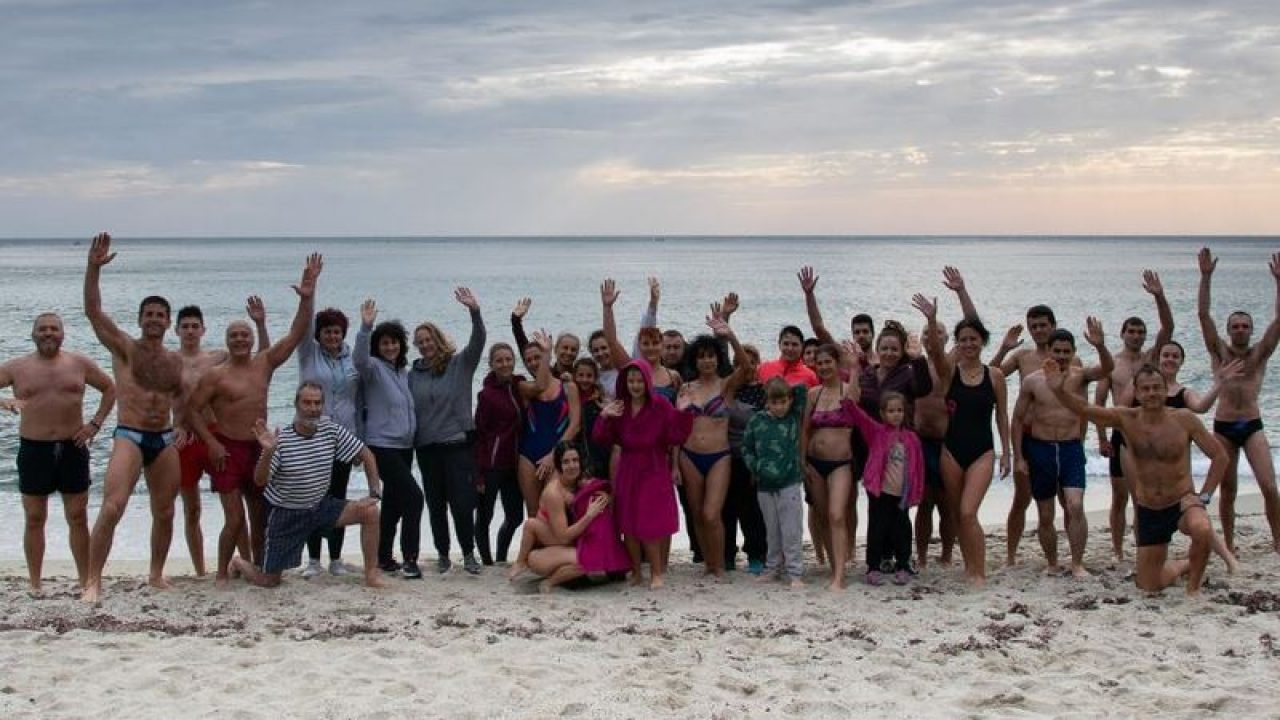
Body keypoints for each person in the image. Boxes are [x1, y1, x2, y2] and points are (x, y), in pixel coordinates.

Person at [187, 254, 321, 587]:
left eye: (244, 335)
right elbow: (191, 410)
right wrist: (211, 442)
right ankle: (221, 572)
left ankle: (260, 566)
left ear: (251, 339)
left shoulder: (264, 364)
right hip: (227, 450)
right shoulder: (215, 376)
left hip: (259, 449)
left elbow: (295, 334)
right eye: (234, 335)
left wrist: (307, 296)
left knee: (261, 516)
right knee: (234, 520)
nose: (240, 339)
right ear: (227, 340)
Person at [1046, 361, 1230, 595]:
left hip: (1182, 502)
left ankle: (1193, 589)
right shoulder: (1127, 419)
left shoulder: (1184, 419)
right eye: (1146, 388)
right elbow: (1085, 409)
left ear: (1165, 390)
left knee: (1202, 528)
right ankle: (1184, 564)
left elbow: (1220, 456)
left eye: (1157, 387)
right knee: (1149, 585)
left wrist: (1203, 497)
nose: (1152, 393)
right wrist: (1059, 391)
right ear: (1137, 392)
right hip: (1150, 509)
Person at [81, 232, 186, 603]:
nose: (154, 319)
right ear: (140, 319)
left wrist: (183, 425)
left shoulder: (174, 360)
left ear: (168, 322)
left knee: (165, 511)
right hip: (130, 435)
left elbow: (183, 396)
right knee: (113, 507)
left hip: (165, 438)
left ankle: (155, 574)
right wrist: (93, 268)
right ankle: (93, 581)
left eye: (160, 315)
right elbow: (93, 311)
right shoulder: (125, 347)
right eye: (149, 314)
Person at [227, 383, 386, 589]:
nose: (313, 408)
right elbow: (260, 480)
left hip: (320, 507)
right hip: (286, 514)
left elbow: (366, 454)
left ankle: (371, 574)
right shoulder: (281, 440)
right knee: (269, 581)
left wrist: (374, 492)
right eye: (307, 403)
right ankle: (238, 562)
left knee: (370, 512)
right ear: (296, 405)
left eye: (317, 403)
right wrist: (268, 452)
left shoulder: (331, 430)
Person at [0, 313, 115, 594]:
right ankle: (35, 583)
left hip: (72, 447)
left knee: (77, 516)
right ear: (33, 334)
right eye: (42, 329)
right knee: (34, 517)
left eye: (53, 328)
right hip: (34, 449)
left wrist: (95, 424)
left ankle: (85, 580)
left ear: (63, 334)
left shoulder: (79, 363)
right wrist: (4, 400)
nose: (48, 333)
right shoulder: (17, 367)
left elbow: (110, 388)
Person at [174, 303, 269, 578]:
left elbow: (259, 359)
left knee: (236, 507)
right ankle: (200, 570)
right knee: (192, 509)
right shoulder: (170, 361)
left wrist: (260, 324)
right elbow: (156, 395)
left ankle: (246, 561)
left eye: (195, 326)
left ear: (203, 330)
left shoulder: (218, 357)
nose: (190, 331)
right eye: (185, 326)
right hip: (185, 438)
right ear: (176, 330)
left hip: (217, 433)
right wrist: (174, 426)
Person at [1011, 322, 1113, 578]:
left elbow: (1107, 369)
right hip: (1041, 449)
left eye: (1067, 351)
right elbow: (1018, 419)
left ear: (1073, 352)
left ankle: (1077, 563)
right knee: (1046, 513)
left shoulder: (1080, 376)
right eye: (1057, 351)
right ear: (1049, 352)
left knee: (1075, 505)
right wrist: (1019, 457)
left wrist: (1100, 346)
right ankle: (1052, 563)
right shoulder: (1033, 381)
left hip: (1070, 448)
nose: (1062, 356)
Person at [1196, 248, 1280, 553]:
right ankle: (1230, 545)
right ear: (1229, 330)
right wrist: (1206, 277)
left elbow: (1279, 320)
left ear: (1251, 330)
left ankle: (1278, 541)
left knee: (1269, 487)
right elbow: (1203, 316)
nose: (1240, 329)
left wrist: (1278, 282)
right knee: (1228, 490)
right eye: (1235, 326)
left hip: (1252, 425)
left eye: (1245, 326)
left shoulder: (1259, 354)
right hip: (1224, 427)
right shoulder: (1220, 352)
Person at [990, 302, 1082, 567]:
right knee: (1022, 498)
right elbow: (990, 376)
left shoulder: (1072, 360)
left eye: (1043, 325)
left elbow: (1080, 405)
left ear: (1053, 326)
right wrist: (1004, 348)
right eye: (1034, 326)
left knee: (1067, 501)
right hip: (1029, 436)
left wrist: (1080, 437)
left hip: (1063, 439)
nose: (1038, 330)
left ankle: (1071, 556)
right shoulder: (1023, 357)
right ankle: (1010, 555)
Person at [1093, 270, 1174, 562]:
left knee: (1144, 497)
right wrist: (1102, 438)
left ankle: (1143, 548)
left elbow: (1168, 328)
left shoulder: (1150, 360)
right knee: (1120, 497)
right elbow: (1099, 402)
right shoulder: (1112, 364)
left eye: (1141, 332)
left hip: (1148, 431)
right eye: (1132, 331)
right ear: (1123, 334)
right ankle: (1117, 551)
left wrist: (1159, 297)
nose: (1137, 336)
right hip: (1121, 432)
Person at [592, 358, 694, 589]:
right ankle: (637, 573)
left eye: (639, 380)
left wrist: (682, 413)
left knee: (650, 523)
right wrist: (604, 416)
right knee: (628, 524)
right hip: (628, 468)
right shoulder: (620, 407)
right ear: (625, 382)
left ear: (647, 381)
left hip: (654, 468)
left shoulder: (661, 405)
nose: (635, 385)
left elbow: (676, 436)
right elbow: (601, 438)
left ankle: (657, 573)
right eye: (631, 381)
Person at [410, 287, 486, 575]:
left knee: (462, 504)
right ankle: (443, 554)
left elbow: (478, 341)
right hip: (426, 449)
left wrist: (474, 311)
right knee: (436, 505)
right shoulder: (412, 375)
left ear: (437, 339)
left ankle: (468, 554)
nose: (425, 345)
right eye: (420, 342)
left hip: (457, 446)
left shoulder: (459, 364)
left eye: (428, 339)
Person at [935, 314, 1011, 587]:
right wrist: (931, 320)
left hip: (983, 452)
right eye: (963, 339)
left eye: (973, 339)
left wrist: (1007, 452)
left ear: (983, 341)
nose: (968, 344)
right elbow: (936, 355)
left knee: (968, 512)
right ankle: (969, 566)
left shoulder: (995, 376)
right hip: (951, 451)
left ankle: (979, 572)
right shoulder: (950, 374)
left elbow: (1002, 416)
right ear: (956, 343)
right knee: (958, 513)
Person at [355, 299, 424, 578]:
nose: (390, 347)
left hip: (404, 446)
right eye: (384, 343)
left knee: (394, 505)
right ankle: (410, 559)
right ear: (377, 346)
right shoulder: (372, 368)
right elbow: (359, 359)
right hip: (381, 446)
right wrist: (365, 328)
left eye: (394, 342)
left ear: (401, 345)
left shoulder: (402, 373)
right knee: (414, 498)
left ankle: (383, 558)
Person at [674, 317, 747, 580]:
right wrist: (674, 464)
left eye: (711, 356)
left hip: (719, 457)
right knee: (696, 513)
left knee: (711, 513)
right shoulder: (685, 388)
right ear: (694, 360)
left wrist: (731, 336)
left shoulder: (725, 385)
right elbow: (678, 430)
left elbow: (746, 367)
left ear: (718, 359)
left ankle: (720, 566)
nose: (707, 361)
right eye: (702, 357)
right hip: (689, 455)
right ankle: (708, 564)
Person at [295, 304, 360, 578]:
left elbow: (358, 400)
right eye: (327, 332)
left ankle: (335, 559)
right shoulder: (308, 354)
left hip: (344, 438)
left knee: (337, 500)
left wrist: (358, 442)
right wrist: (308, 295)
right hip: (313, 437)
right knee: (313, 498)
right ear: (318, 334)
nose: (332, 336)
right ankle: (313, 560)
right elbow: (302, 326)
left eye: (337, 332)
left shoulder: (352, 360)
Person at [846, 391, 925, 585]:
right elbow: (861, 418)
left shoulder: (912, 438)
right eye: (891, 411)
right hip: (880, 492)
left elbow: (918, 468)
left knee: (902, 529)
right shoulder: (877, 432)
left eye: (899, 410)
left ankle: (903, 565)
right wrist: (848, 402)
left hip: (902, 494)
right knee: (877, 529)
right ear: (882, 413)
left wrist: (916, 491)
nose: (896, 414)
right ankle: (873, 567)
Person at [742, 378, 809, 589]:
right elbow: (746, 447)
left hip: (789, 481)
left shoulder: (793, 416)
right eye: (774, 402)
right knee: (772, 530)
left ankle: (795, 572)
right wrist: (756, 467)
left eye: (783, 401)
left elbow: (802, 390)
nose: (779, 407)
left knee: (791, 529)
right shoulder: (757, 420)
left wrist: (781, 384)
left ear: (789, 401)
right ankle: (772, 568)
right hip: (764, 485)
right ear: (767, 401)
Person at [508, 443, 610, 581]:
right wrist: (589, 515)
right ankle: (543, 578)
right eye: (566, 462)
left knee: (599, 558)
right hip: (546, 551)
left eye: (575, 460)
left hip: (565, 545)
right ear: (558, 466)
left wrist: (606, 496)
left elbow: (603, 490)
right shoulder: (554, 493)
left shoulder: (579, 482)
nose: (572, 466)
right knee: (591, 560)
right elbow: (564, 538)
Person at [473, 343, 527, 565]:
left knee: (515, 517)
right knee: (485, 516)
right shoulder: (486, 395)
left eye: (508, 359)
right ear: (492, 364)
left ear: (514, 361)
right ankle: (487, 562)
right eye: (499, 360)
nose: (505, 364)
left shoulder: (520, 385)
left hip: (515, 464)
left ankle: (501, 557)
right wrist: (478, 473)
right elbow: (479, 434)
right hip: (492, 465)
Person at [516, 333, 579, 517]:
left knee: (554, 511)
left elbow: (575, 425)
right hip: (528, 456)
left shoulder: (568, 387)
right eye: (528, 360)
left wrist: (553, 455)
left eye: (537, 357)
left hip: (558, 455)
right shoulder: (524, 387)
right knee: (533, 512)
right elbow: (541, 386)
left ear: (546, 357)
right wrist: (546, 354)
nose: (533, 363)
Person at [510, 297, 580, 378]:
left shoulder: (580, 376)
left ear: (577, 353)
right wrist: (515, 320)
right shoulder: (543, 372)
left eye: (573, 350)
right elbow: (526, 350)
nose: (568, 352)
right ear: (555, 349)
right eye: (565, 348)